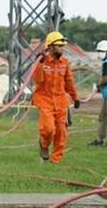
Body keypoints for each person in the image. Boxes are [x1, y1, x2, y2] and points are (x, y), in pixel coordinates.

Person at [33, 31, 79, 164]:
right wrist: (40, 64)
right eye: (59, 45)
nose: (62, 48)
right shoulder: (42, 61)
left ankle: (55, 161)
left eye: (62, 46)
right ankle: (44, 144)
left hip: (61, 102)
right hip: (45, 100)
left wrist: (75, 97)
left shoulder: (65, 62)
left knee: (61, 132)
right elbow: (37, 80)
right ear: (51, 47)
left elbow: (69, 81)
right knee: (48, 129)